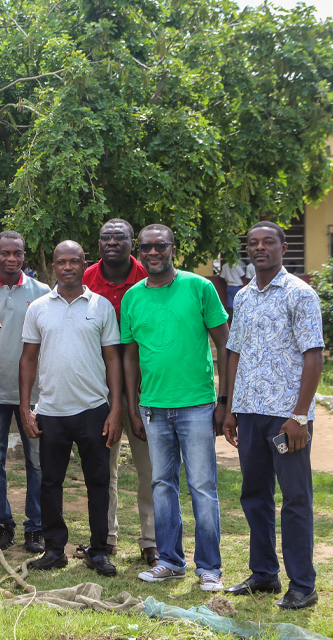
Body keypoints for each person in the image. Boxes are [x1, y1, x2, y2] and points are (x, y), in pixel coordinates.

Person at [122, 224, 229, 591]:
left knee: (201, 485)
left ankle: (209, 568)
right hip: (153, 406)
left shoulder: (199, 288)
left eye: (160, 246)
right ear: (139, 250)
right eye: (147, 247)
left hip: (197, 405)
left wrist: (224, 400)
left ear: (173, 249)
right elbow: (130, 356)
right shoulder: (132, 297)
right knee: (161, 484)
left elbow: (224, 345)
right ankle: (169, 561)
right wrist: (134, 406)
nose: (153, 252)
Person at [223, 221, 323, 610]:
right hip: (249, 413)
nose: (260, 248)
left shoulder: (300, 294)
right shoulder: (245, 296)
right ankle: (263, 573)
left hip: (287, 417)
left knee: (295, 498)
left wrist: (300, 416)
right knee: (254, 495)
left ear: (283, 247)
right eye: (253, 243)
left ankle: (303, 584)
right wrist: (230, 407)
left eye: (268, 242)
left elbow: (313, 355)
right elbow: (235, 352)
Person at [19, 241, 123, 577]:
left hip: (93, 409)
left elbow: (113, 360)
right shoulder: (38, 308)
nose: (68, 267)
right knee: (50, 482)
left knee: (98, 481)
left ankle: (98, 549)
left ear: (84, 264)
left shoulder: (101, 306)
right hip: (51, 410)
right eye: (61, 262)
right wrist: (25, 407)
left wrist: (116, 407)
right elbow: (28, 359)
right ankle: (54, 549)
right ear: (52, 266)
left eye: (74, 261)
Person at [81, 219, 157, 566]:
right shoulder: (85, 280)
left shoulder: (150, 278)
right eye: (105, 237)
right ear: (98, 244)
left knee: (149, 468)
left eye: (120, 237)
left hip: (147, 389)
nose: (112, 242)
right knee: (103, 468)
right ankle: (106, 537)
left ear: (132, 243)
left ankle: (151, 540)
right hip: (98, 389)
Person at [0, 230, 49, 553]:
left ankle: (35, 528)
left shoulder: (42, 293)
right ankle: (2, 525)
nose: (12, 259)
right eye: (5, 253)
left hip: (35, 394)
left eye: (18, 253)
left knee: (37, 463)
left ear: (25, 256)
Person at [218, 255, 246, 323]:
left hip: (229, 286)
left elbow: (221, 277)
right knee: (238, 303)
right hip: (237, 286)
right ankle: (238, 319)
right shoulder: (236, 265)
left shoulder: (225, 266)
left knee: (230, 304)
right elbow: (242, 275)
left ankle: (231, 319)